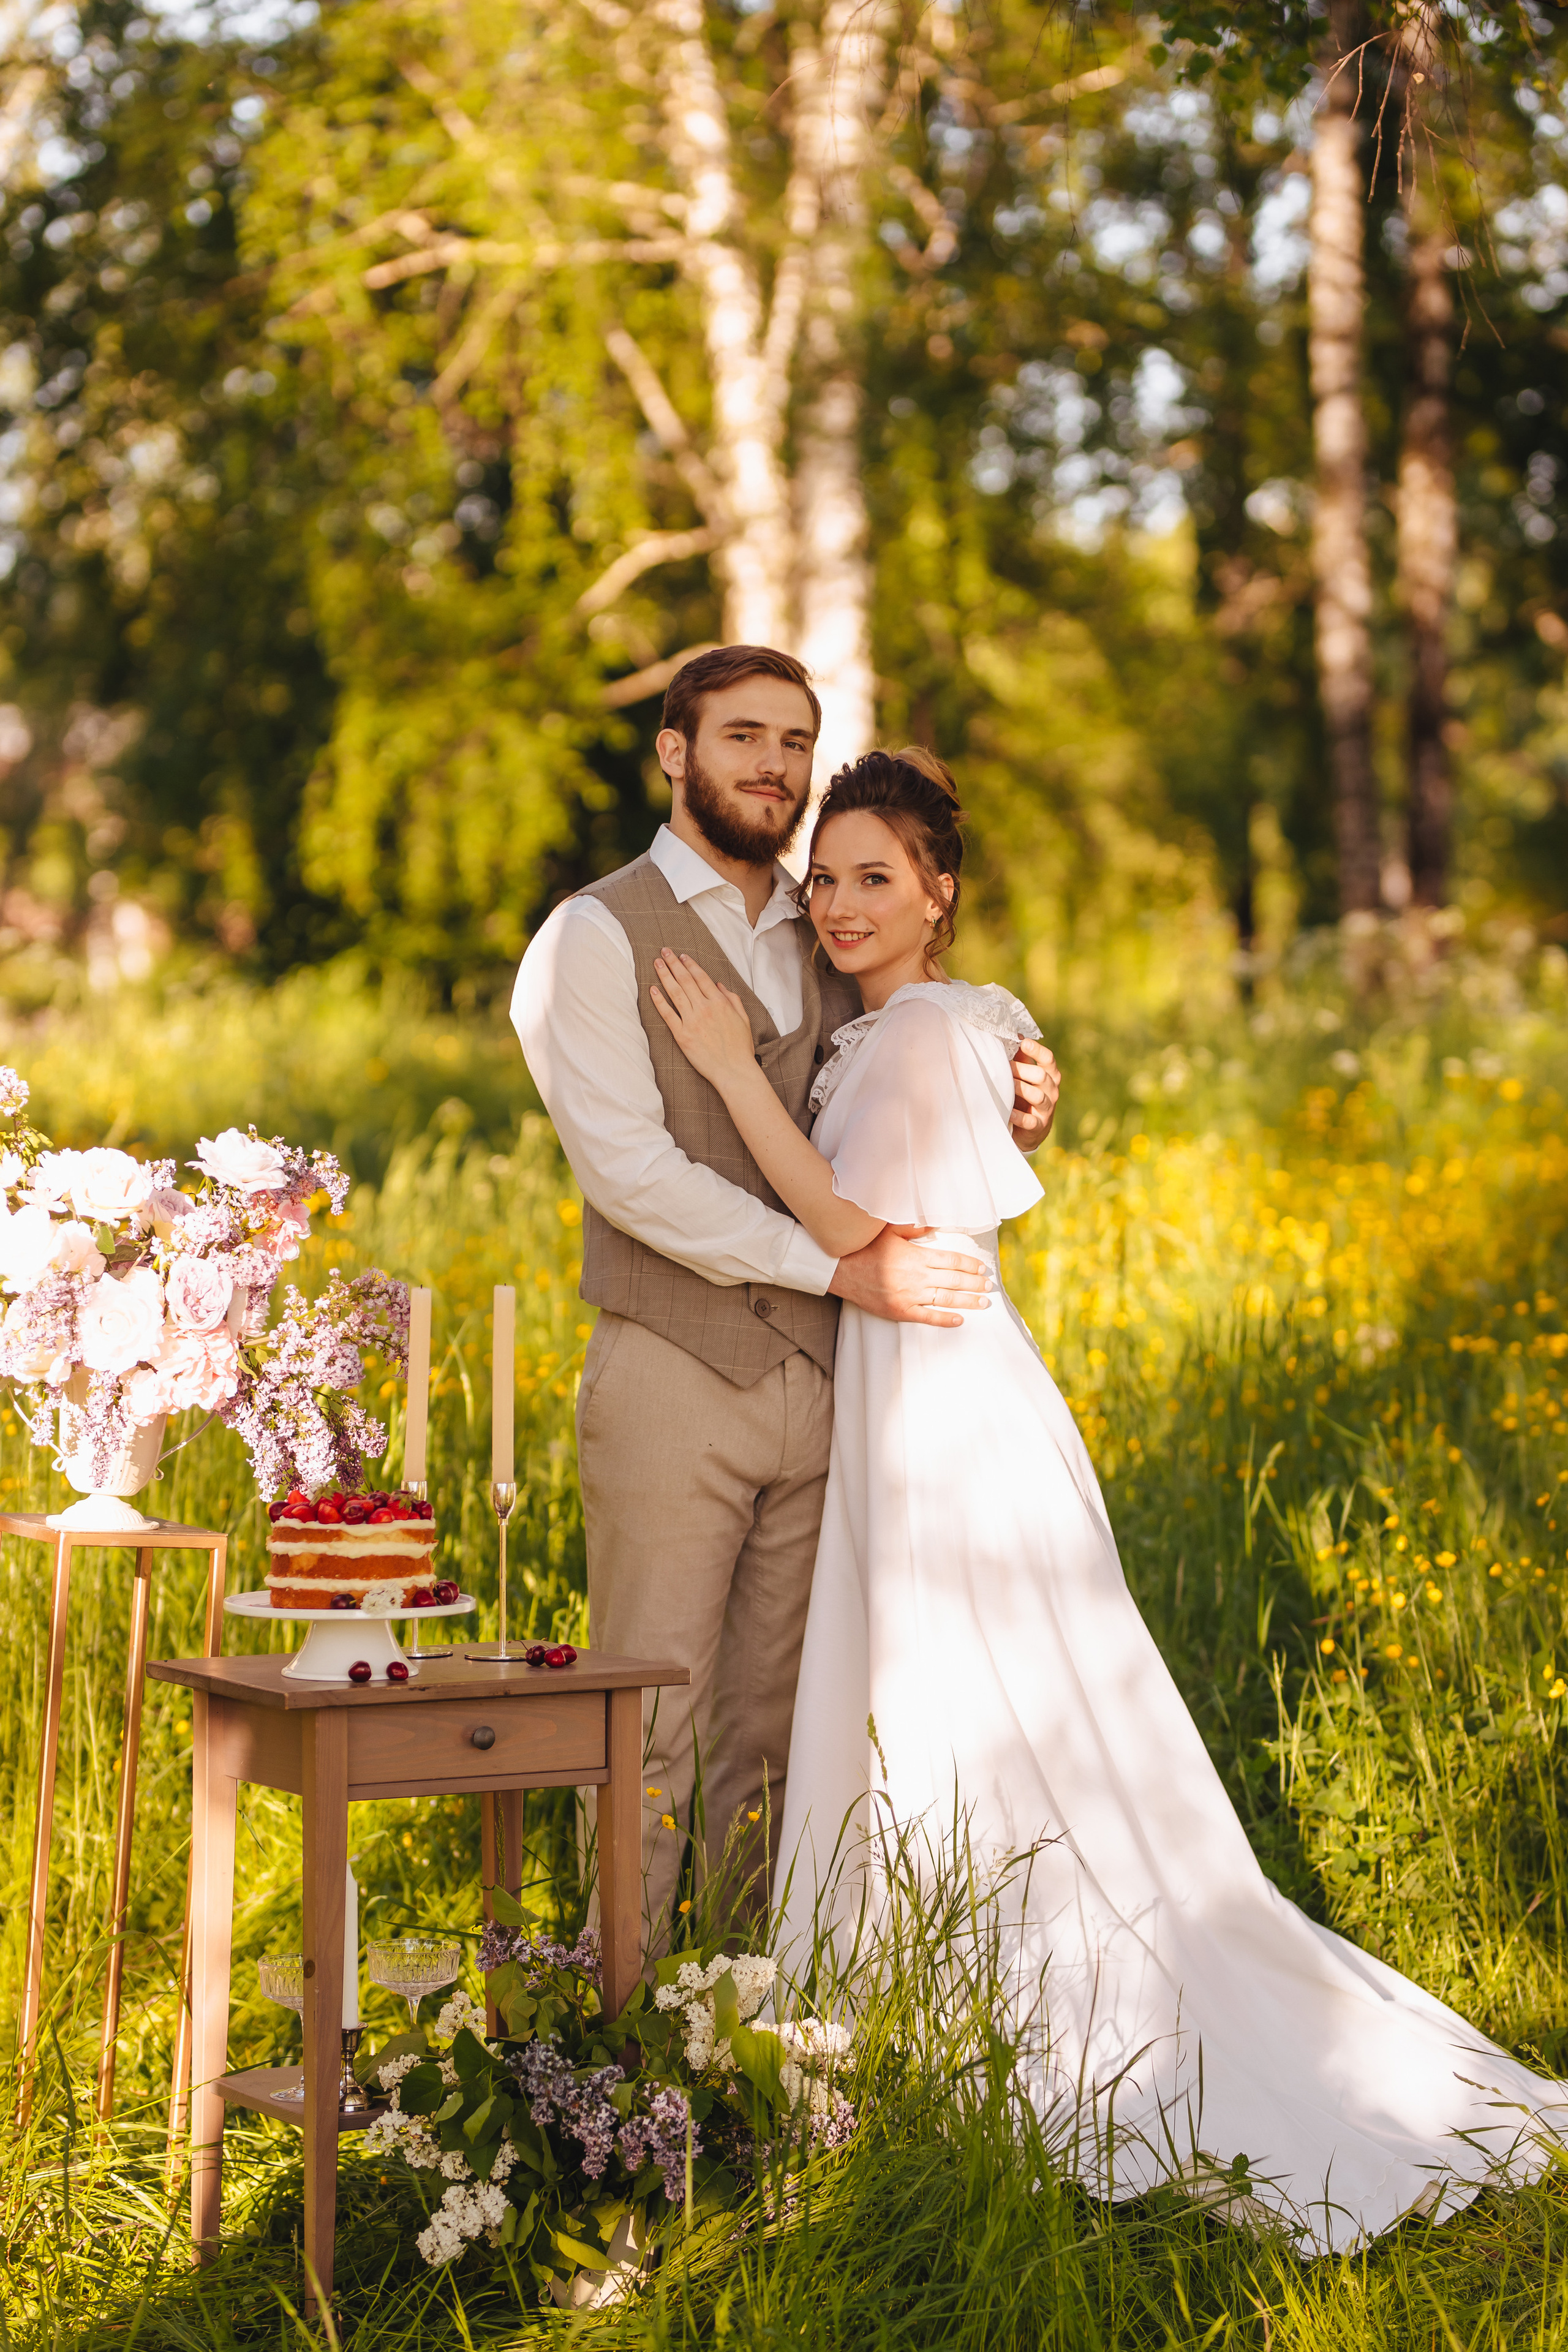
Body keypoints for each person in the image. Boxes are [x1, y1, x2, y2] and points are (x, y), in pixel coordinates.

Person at [647, 744, 1568, 2253]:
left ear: (939, 895)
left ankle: (1042, 2008)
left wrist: (729, 1069)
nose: (838, 905)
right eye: (824, 880)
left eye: (874, 878)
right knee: (919, 1708)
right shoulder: (898, 1034)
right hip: (903, 1396)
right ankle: (906, 2008)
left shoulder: (934, 1025)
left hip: (944, 1412)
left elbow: (845, 1222)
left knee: (969, 1704)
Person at [510, 646, 1060, 1943]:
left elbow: (923, 1041)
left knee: (774, 1737)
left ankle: (747, 2032)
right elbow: (633, 1175)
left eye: (794, 742)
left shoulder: (824, 923)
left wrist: (1023, 1094)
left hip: (829, 1392)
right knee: (649, 1724)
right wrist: (837, 1267)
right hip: (671, 1376)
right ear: (672, 752)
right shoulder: (590, 934)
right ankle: (612, 2053)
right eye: (741, 735)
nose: (772, 764)